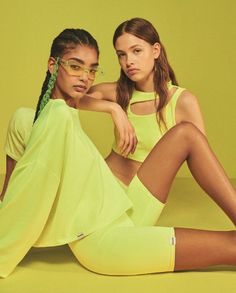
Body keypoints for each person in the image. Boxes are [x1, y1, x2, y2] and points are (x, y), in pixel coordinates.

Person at [1, 26, 236, 279]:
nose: (128, 61)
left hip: (129, 204)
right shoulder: (55, 117)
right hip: (104, 238)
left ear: (156, 50)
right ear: (53, 65)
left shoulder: (42, 119)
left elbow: (15, 189)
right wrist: (114, 108)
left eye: (91, 69)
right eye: (121, 55)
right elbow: (25, 188)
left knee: (186, 133)